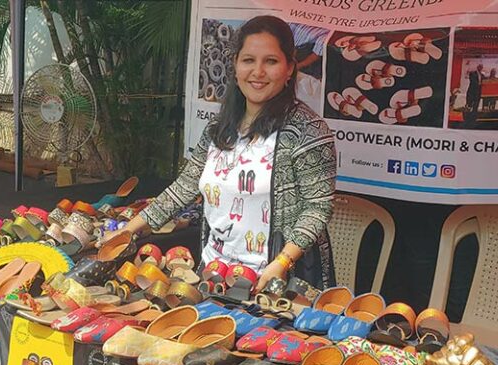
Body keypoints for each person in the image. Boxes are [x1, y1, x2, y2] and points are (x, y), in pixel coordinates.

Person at [100, 15, 337, 290]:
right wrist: (128, 230)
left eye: (270, 61)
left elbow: (317, 208)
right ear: (235, 65)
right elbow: (184, 187)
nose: (258, 71)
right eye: (248, 60)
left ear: (289, 69)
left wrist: (281, 263)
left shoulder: (308, 130)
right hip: (213, 276)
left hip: (274, 282)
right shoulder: (218, 128)